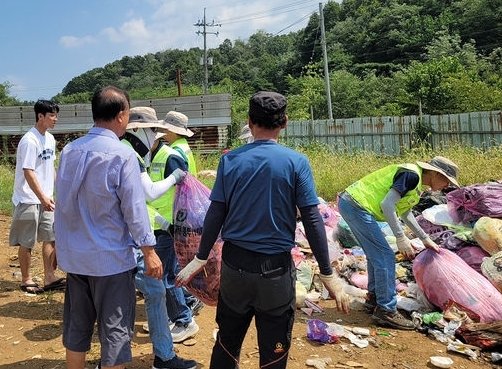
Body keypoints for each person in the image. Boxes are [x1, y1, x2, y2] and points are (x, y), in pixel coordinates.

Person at [176, 91, 349, 369]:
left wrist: (201, 256)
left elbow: (216, 212)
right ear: (285, 122)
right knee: (275, 350)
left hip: (235, 270)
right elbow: (312, 219)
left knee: (227, 342)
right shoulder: (296, 162)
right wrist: (328, 273)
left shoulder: (230, 161)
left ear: (249, 121)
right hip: (275, 274)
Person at [54, 86, 164, 369]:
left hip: (76, 259)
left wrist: (58, 243)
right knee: (115, 332)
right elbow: (134, 210)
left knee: (77, 330)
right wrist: (149, 251)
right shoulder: (122, 155)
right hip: (110, 261)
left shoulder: (69, 151)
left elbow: (62, 203)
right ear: (121, 115)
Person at [337, 156, 460, 330]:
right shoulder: (412, 175)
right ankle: (386, 309)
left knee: (376, 255)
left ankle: (375, 299)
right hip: (357, 205)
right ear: (434, 173)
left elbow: (405, 212)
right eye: (446, 180)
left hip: (352, 203)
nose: (446, 186)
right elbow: (387, 205)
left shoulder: (416, 184)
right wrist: (400, 237)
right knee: (385, 255)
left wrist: (424, 238)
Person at [123, 106, 197, 369]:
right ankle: (166, 347)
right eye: (154, 130)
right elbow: (148, 195)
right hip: (145, 231)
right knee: (159, 284)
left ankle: (180, 324)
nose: (158, 135)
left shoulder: (164, 154)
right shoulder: (133, 153)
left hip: (156, 228)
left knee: (159, 284)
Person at [152, 110, 200, 343]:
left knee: (167, 274)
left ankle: (184, 318)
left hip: (170, 220)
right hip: (168, 220)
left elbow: (183, 187)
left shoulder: (174, 153)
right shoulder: (178, 149)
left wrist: (173, 223)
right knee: (171, 271)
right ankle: (184, 308)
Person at [9, 99, 65, 294]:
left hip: (46, 198)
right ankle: (26, 279)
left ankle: (49, 277)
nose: (55, 119)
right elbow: (28, 172)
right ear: (40, 116)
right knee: (27, 241)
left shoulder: (49, 139)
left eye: (56, 115)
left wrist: (58, 191)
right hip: (28, 199)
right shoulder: (29, 140)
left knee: (50, 237)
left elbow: (51, 168)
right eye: (51, 115)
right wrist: (42, 197)